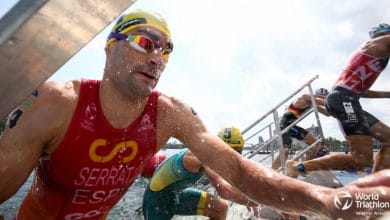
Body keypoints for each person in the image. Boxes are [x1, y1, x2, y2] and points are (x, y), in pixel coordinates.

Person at [0, 10, 389, 219]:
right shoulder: (57, 104)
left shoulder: (170, 114)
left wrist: (322, 200)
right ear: (109, 47)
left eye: (166, 50)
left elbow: (237, 172)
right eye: (144, 43)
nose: (157, 58)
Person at [286, 23, 390, 178]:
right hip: (344, 99)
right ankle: (297, 167)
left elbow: (361, 90)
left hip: (347, 98)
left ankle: (376, 181)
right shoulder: (380, 42)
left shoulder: (371, 55)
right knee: (361, 160)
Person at [142, 126, 259, 220]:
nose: (236, 157)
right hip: (156, 200)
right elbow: (224, 190)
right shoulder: (205, 157)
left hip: (178, 195)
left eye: (239, 151)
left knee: (220, 208)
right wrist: (253, 202)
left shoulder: (216, 157)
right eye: (233, 152)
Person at [271, 88, 330, 170]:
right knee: (285, 151)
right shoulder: (306, 97)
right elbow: (320, 101)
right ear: (315, 95)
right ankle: (272, 171)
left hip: (292, 126)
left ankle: (302, 169)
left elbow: (327, 113)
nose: (321, 99)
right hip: (285, 125)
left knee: (317, 145)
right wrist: (332, 101)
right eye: (321, 97)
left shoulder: (313, 103)